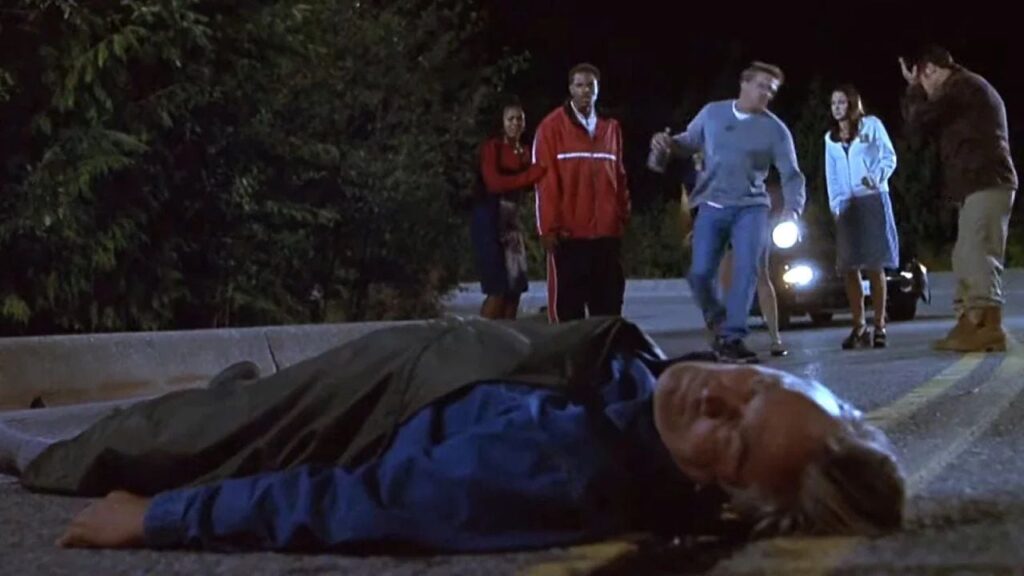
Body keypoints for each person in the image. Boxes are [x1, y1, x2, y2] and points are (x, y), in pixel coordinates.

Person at [0, 317, 904, 552]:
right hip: (428, 364)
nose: (718, 393)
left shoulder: (561, 470)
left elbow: (357, 504)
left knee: (156, 439)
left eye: (735, 437)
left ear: (725, 494)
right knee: (227, 410)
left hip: (376, 404)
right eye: (754, 385)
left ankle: (32, 450)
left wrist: (155, 520)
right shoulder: (651, 403)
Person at [651, 61, 807, 363]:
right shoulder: (713, 114)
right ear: (744, 84)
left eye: (771, 90)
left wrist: (793, 211)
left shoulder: (775, 130)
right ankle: (719, 321)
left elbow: (791, 175)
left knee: (746, 271)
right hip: (711, 204)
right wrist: (667, 143)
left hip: (752, 208)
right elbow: (687, 142)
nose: (766, 94)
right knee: (699, 274)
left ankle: (733, 338)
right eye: (761, 86)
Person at [900, 45, 1018, 352]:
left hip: (987, 180)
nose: (926, 90)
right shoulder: (960, 91)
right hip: (974, 184)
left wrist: (913, 89)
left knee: (979, 252)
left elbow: (919, 121)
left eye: (923, 81)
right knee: (965, 255)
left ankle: (987, 325)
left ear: (930, 70)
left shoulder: (962, 87)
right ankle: (969, 321)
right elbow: (917, 135)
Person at [533, 63, 631, 323]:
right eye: (579, 85)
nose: (585, 91)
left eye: (590, 86)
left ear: (598, 89)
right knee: (568, 314)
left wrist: (621, 216)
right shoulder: (550, 128)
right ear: (570, 89)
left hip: (606, 236)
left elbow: (619, 176)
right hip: (569, 236)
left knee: (608, 311)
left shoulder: (611, 128)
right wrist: (548, 229)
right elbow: (545, 182)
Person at [678, 157, 787, 357]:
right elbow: (689, 205)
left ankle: (774, 337)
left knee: (760, 275)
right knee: (724, 281)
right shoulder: (693, 173)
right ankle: (725, 338)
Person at [825, 85, 900, 350]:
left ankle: (879, 325)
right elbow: (831, 174)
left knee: (875, 264)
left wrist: (876, 176)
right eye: (833, 103)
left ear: (852, 104)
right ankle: (859, 326)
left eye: (841, 102)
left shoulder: (872, 126)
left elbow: (889, 156)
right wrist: (836, 205)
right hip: (847, 203)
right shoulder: (830, 138)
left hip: (872, 197)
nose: (837, 108)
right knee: (849, 266)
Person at [471, 98, 547, 320]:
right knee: (498, 288)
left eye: (519, 119)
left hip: (511, 222)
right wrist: (531, 175)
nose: (515, 123)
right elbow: (494, 184)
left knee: (515, 286)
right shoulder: (492, 148)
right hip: (489, 219)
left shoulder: (525, 151)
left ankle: (506, 334)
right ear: (502, 122)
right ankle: (483, 335)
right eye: (510, 119)